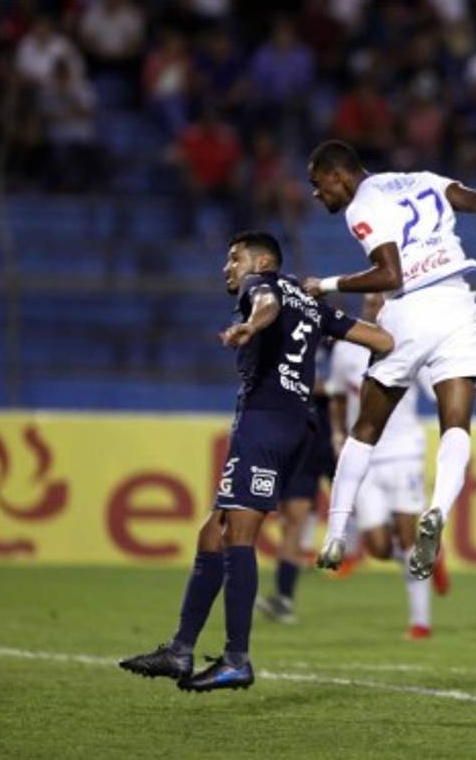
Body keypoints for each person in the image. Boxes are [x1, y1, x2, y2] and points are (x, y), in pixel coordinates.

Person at [118, 230, 393, 692]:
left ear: (261, 261)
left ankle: (235, 658)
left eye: (234, 258)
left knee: (237, 535)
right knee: (216, 529)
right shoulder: (313, 305)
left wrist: (253, 325)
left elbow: (264, 302)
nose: (228, 268)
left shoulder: (260, 285)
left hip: (267, 419)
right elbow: (381, 341)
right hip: (297, 424)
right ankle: (181, 650)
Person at [302, 140, 476, 581]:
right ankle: (437, 511)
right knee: (456, 425)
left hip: (409, 311)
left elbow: (389, 275)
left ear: (339, 175)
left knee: (365, 429)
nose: (317, 194)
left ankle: (337, 532)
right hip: (459, 306)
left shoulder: (361, 206)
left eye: (318, 184)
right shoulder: (423, 180)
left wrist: (325, 284)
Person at [325, 293, 447, 640]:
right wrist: (336, 434)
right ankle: (430, 561)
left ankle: (420, 623)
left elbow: (437, 390)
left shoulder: (410, 344)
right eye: (368, 303)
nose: (373, 308)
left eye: (379, 303)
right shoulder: (346, 349)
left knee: (409, 536)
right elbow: (336, 394)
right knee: (377, 546)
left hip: (404, 453)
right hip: (365, 454)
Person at [255, 340, 336, 625]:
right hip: (292, 439)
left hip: (314, 442)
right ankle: (283, 596)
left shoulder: (334, 346)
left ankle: (283, 596)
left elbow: (338, 390)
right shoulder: (293, 343)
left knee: (295, 521)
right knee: (291, 523)